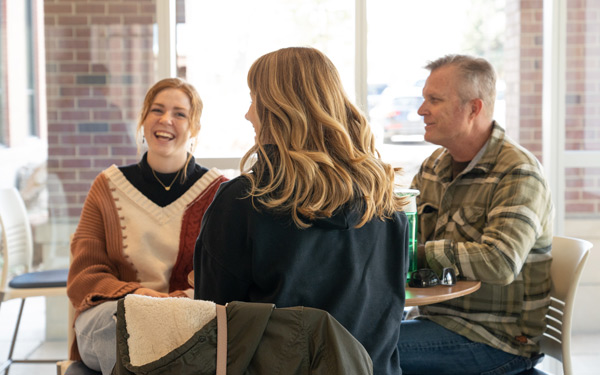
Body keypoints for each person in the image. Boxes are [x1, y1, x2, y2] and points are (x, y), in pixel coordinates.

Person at [194, 47, 409, 375]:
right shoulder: (385, 204)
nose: (247, 114)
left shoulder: (243, 202)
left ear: (278, 109)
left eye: (253, 99)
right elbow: (387, 324)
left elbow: (213, 329)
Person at [398, 54, 553, 375]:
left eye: (434, 100)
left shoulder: (518, 172)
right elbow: (403, 238)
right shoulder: (432, 168)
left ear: (474, 108)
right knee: (345, 334)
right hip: (433, 318)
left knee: (359, 349)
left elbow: (500, 261)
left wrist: (421, 253)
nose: (421, 110)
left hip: (496, 338)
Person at [67, 78, 228, 375]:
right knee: (121, 324)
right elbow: (84, 278)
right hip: (117, 314)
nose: (166, 119)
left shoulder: (219, 193)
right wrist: (142, 297)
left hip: (186, 318)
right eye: (157, 110)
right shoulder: (106, 187)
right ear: (143, 119)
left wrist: (172, 305)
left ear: (194, 128)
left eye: (180, 113)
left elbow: (227, 278)